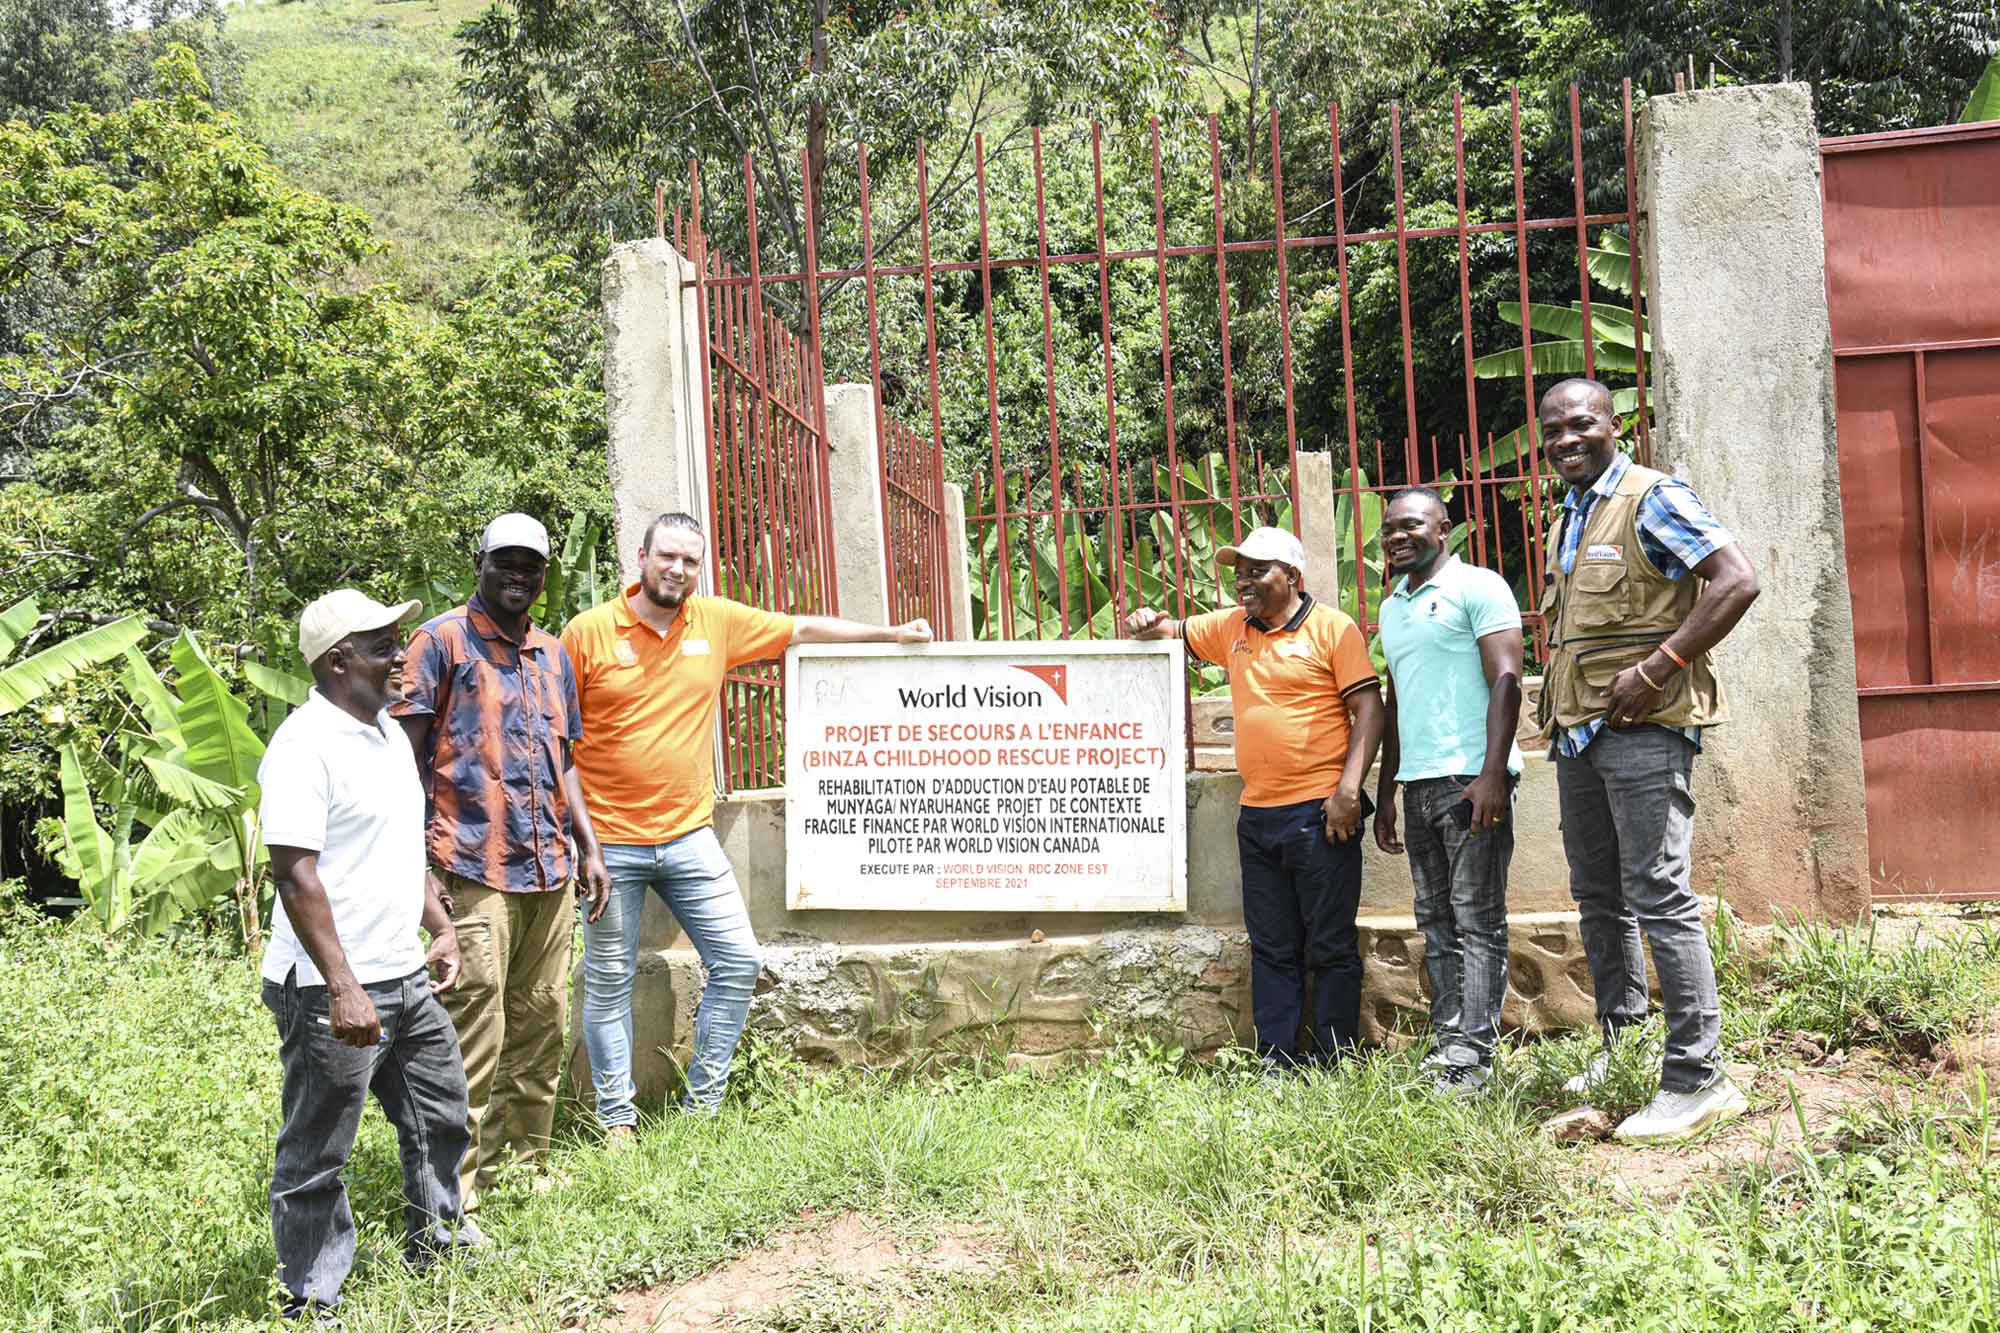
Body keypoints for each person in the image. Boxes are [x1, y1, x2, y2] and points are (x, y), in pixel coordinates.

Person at [562, 511, 932, 1132]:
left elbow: (802, 628)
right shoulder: (589, 633)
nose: (677, 570)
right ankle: (617, 1120)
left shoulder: (717, 622)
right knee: (607, 983)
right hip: (610, 843)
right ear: (641, 556)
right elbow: (557, 739)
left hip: (688, 837)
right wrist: (579, 842)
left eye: (690, 561)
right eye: (667, 557)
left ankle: (702, 1107)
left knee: (738, 961)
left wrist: (890, 633)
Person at [1534, 377, 1760, 1143]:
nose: (1566, 439)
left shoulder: (1650, 496)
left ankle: (1699, 1077)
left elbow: (1736, 580)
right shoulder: (1571, 513)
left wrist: (1660, 664)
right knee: (1600, 895)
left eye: (1580, 424)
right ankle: (1623, 1040)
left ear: (1613, 424)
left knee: (1659, 893)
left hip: (1642, 728)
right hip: (1579, 734)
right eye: (1553, 430)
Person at [258, 589, 485, 1323]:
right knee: (319, 1144)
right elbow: (294, 873)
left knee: (440, 1111)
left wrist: (438, 924)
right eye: (385, 643)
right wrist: (342, 985)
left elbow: (398, 843)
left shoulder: (388, 733)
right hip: (334, 987)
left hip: (403, 972)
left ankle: (441, 1238)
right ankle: (311, 1294)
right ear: (337, 660)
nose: (402, 654)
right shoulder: (303, 746)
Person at [392, 513, 612, 1209]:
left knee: (542, 1022)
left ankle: (524, 1167)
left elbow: (565, 760)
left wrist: (589, 843)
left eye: (531, 566)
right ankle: (454, 1191)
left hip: (547, 867)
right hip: (468, 864)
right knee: (473, 1030)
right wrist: (416, 863)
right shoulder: (443, 642)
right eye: (505, 562)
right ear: (480, 562)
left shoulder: (552, 653)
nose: (519, 575)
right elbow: (403, 763)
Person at [1124, 525, 1384, 1072]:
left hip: (1321, 814)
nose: (1243, 580)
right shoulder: (1231, 628)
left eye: (1256, 570)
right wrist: (1146, 622)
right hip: (1258, 815)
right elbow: (1170, 632)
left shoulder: (1332, 630)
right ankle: (1277, 1061)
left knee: (1330, 946)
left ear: (1291, 576)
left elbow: (1370, 710)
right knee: (1271, 947)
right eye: (1238, 570)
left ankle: (1336, 1061)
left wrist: (1347, 792)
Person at [1372, 487, 1524, 1096]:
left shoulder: (1479, 587)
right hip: (1416, 786)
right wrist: (1385, 791)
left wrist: (1492, 773)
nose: (1397, 536)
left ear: (1444, 528)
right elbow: (1396, 700)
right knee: (1434, 920)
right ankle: (1448, 1044)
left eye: (1411, 524)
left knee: (1478, 921)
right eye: (1389, 528)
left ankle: (1476, 1057)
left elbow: (1507, 680)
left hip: (1470, 783)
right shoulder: (1392, 607)